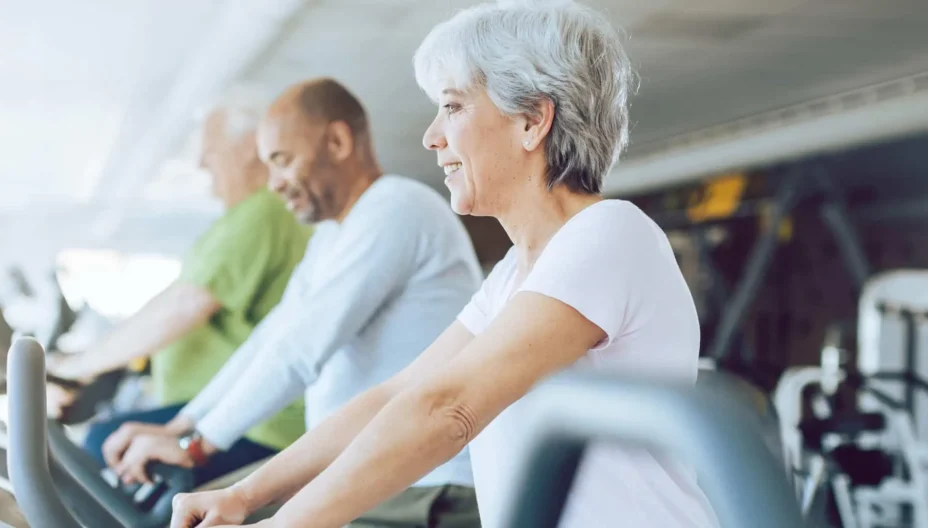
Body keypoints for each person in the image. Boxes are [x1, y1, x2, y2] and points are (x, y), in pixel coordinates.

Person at [167, 2, 720, 528]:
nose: (432, 137)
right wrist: (244, 497)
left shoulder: (608, 234)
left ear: (532, 120)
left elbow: (448, 410)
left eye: (453, 107)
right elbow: (397, 395)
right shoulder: (511, 275)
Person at [106, 78, 483, 527]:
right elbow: (274, 335)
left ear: (338, 141)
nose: (276, 183)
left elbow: (300, 351)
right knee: (200, 507)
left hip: (426, 483)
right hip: (358, 469)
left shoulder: (396, 209)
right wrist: (181, 427)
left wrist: (198, 445)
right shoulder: (331, 235)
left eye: (283, 161)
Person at [47, 103, 311, 487]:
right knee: (104, 446)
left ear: (248, 147)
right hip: (212, 405)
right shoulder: (239, 218)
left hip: (262, 424)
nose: (202, 164)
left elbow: (185, 306)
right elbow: (170, 301)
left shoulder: (263, 214)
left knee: (102, 446)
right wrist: (84, 363)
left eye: (210, 151)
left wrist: (77, 367)